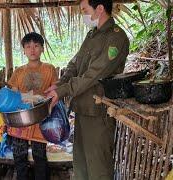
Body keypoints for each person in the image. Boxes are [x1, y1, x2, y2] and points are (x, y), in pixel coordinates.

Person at [45, 0, 130, 179]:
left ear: (99, 9)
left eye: (85, 10)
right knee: (81, 165)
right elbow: (75, 64)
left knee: (98, 166)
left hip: (99, 110)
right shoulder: (91, 35)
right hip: (82, 108)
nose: (82, 14)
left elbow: (94, 74)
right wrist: (60, 84)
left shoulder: (116, 37)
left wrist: (63, 91)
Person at [7, 32, 58, 180]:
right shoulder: (18, 71)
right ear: (23, 50)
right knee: (19, 155)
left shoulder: (49, 69)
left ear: (42, 48)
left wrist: (40, 98)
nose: (32, 49)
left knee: (39, 155)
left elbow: (54, 91)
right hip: (20, 119)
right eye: (28, 46)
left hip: (40, 118)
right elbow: (12, 94)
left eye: (36, 46)